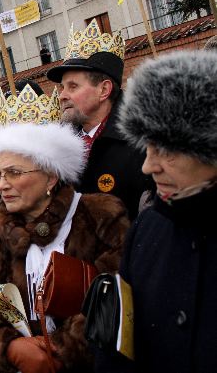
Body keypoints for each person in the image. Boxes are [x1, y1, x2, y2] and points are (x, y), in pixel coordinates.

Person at [0, 120, 129, 373]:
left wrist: (61, 351)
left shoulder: (100, 216)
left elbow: (117, 297)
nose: (1, 184)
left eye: (14, 172)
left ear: (51, 177)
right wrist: (8, 348)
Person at [95, 51, 217, 373]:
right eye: (147, 148)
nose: (149, 166)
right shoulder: (146, 229)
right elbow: (116, 346)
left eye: (165, 150)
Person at [46, 18, 149, 219]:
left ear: (104, 90)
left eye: (73, 86)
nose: (62, 95)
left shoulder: (141, 142)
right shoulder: (56, 146)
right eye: (62, 87)